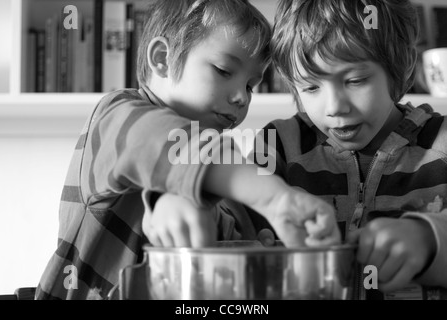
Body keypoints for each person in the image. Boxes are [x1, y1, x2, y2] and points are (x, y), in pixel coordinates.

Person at [35, 0, 340, 300]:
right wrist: (276, 199)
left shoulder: (224, 174)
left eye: (250, 86)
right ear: (162, 59)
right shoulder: (116, 115)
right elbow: (171, 145)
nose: (241, 98)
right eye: (223, 70)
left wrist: (255, 256)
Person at [149, 0, 447, 299]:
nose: (334, 107)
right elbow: (234, 232)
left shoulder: (441, 142)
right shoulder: (277, 144)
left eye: (355, 80)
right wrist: (186, 207)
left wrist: (429, 239)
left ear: (402, 67)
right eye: (310, 87)